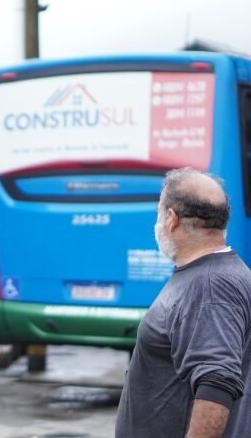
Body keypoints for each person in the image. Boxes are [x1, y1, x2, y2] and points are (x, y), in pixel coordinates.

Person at [115, 168, 251, 437]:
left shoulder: (211, 285)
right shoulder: (213, 274)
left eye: (159, 210)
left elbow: (217, 382)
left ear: (171, 218)